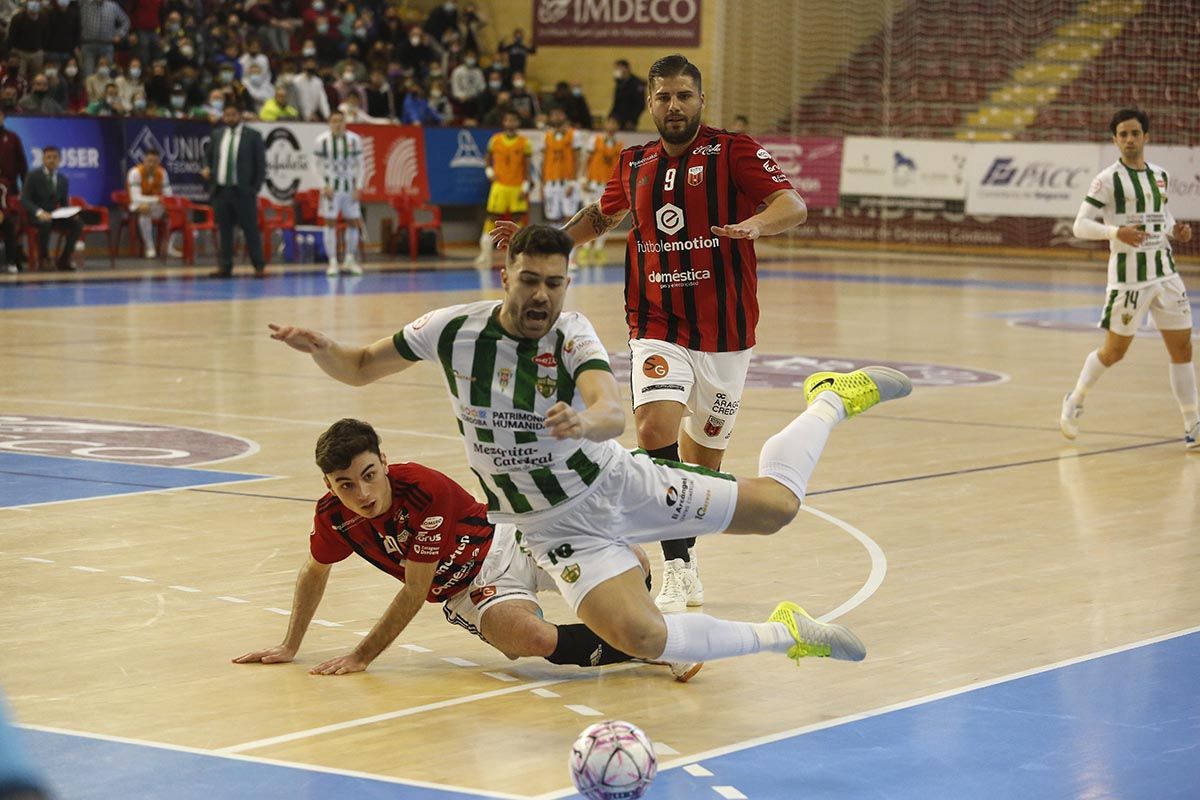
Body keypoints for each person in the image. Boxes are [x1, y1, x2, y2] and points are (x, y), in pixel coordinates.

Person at [269, 224, 912, 672]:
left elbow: (607, 403)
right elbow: (358, 366)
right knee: (642, 635)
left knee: (777, 510)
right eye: (530, 281)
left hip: (616, 484)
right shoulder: (452, 330)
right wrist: (321, 349)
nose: (542, 295)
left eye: (556, 282)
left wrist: (589, 423)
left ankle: (829, 398)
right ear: (506, 276)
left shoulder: (571, 331)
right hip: (550, 529)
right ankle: (788, 634)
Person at [492, 55, 809, 613]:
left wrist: (754, 225)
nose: (673, 106)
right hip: (655, 320)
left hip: (727, 333)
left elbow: (793, 204)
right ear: (650, 102)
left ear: (700, 99)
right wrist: (543, 243)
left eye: (683, 95)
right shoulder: (633, 162)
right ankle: (678, 566)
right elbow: (600, 217)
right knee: (653, 422)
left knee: (700, 468)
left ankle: (684, 544)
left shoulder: (731, 150)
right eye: (663, 97)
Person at [232, 418, 698, 681]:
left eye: (370, 475)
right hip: (469, 588)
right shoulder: (334, 516)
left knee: (634, 563)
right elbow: (315, 571)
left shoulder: (422, 489)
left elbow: (414, 591)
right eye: (346, 485)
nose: (363, 494)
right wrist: (290, 644)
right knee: (529, 641)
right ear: (329, 485)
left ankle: (647, 629)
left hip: (514, 537)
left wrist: (362, 655)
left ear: (385, 464)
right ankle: (649, 643)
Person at [1064, 108, 1197, 449]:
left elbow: (1161, 214)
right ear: (1115, 140)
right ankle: (1075, 398)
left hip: (1165, 273)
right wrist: (1115, 232)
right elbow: (1080, 225)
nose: (1129, 140)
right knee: (1114, 353)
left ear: (1146, 137)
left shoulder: (1160, 176)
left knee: (1182, 349)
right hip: (1128, 280)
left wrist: (1175, 229)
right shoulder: (1107, 180)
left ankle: (1192, 423)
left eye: (1135, 133)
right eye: (1122, 134)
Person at [200, 103, 266, 278]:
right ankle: (225, 266)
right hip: (221, 190)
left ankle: (258, 266)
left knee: (250, 229)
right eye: (227, 115)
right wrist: (206, 168)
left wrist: (254, 188)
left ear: (240, 116)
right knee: (225, 230)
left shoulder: (252, 136)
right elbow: (208, 157)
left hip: (243, 191)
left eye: (233, 114)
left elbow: (261, 165)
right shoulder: (217, 135)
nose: (230, 118)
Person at [476, 109, 531, 267]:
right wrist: (489, 171)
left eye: (514, 120)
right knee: (492, 219)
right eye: (508, 120)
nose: (510, 123)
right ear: (504, 122)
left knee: (517, 221)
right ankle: (485, 254)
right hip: (499, 187)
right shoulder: (495, 140)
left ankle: (519, 256)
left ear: (518, 123)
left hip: (516, 186)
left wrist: (525, 185)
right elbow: (487, 158)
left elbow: (527, 167)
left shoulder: (524, 143)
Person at [312, 110, 364, 277]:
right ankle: (333, 261)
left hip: (349, 188)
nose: (337, 124)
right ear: (329, 122)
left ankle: (349, 259)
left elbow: (361, 165)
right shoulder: (321, 141)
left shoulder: (354, 140)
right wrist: (323, 186)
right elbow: (315, 166)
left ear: (345, 122)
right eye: (334, 121)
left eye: (340, 121)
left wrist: (359, 186)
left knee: (354, 222)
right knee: (330, 223)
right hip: (331, 190)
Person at [21, 145, 82, 272]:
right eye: (48, 157)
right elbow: (25, 200)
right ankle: (44, 259)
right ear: (43, 159)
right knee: (45, 223)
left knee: (77, 223)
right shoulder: (33, 175)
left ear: (59, 160)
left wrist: (70, 214)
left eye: (55, 157)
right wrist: (39, 212)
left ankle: (64, 259)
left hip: (55, 215)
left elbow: (64, 203)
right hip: (37, 215)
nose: (52, 160)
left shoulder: (63, 180)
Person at [577, 115, 622, 265]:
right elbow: (585, 160)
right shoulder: (594, 141)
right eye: (609, 122)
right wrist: (582, 179)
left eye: (614, 123)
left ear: (617, 127)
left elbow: (619, 168)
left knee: (607, 218)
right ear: (605, 125)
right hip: (592, 184)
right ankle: (585, 247)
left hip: (608, 185)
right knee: (588, 217)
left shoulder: (619, 145)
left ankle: (598, 248)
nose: (611, 125)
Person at [540, 105, 582, 228]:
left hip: (567, 182)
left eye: (560, 114)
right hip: (550, 182)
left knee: (570, 218)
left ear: (565, 116)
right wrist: (543, 184)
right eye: (554, 114)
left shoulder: (574, 135)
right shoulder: (546, 136)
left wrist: (573, 182)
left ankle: (571, 247)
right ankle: (555, 246)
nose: (557, 117)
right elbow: (543, 161)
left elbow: (578, 160)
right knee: (553, 219)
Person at [126, 147, 171, 258]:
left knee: (173, 211)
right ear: (144, 160)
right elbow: (135, 198)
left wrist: (165, 203)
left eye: (155, 162)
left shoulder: (162, 172)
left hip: (156, 205)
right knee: (144, 209)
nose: (152, 164)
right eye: (149, 161)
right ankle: (150, 247)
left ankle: (168, 247)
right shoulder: (135, 173)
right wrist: (157, 199)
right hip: (136, 205)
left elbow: (168, 195)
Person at [610, 59, 645, 131]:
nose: (617, 71)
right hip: (618, 120)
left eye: (618, 69)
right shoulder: (619, 84)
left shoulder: (637, 84)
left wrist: (632, 120)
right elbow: (616, 103)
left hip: (629, 122)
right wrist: (611, 117)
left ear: (626, 69)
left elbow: (640, 104)